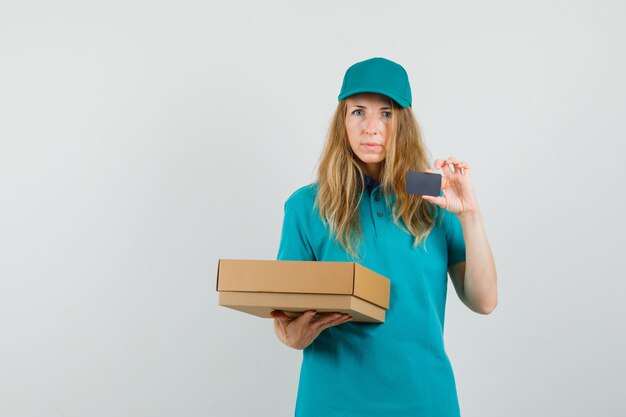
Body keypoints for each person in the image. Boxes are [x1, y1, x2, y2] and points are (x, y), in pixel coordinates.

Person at [270, 57, 497, 417]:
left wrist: (470, 214)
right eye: (358, 112)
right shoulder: (307, 205)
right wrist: (291, 336)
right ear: (342, 122)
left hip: (425, 401)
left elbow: (484, 301)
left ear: (403, 123)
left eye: (386, 114)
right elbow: (284, 320)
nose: (371, 128)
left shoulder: (430, 193)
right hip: (332, 403)